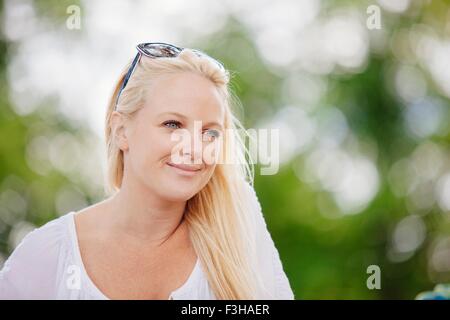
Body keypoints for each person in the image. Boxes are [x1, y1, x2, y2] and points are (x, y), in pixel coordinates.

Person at [0, 42, 294, 300]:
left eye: (210, 132)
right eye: (173, 125)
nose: (193, 147)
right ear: (121, 130)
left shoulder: (237, 223)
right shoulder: (48, 256)